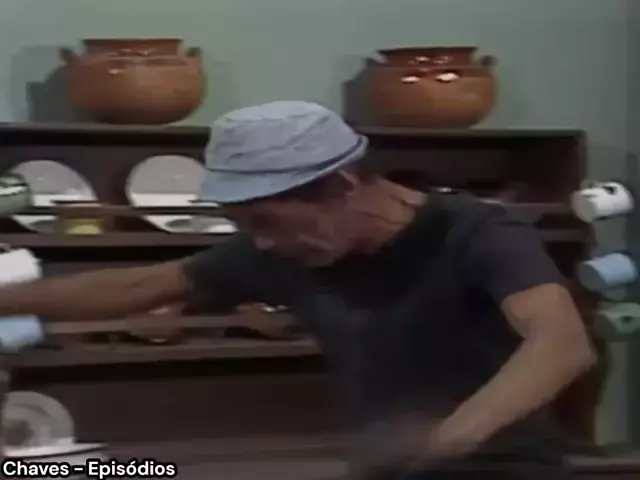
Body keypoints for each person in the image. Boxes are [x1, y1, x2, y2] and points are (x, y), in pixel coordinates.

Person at [0, 101, 595, 478]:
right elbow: (142, 283)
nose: (258, 243)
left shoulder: (477, 232)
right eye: (243, 225)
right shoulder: (285, 248)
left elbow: (561, 343)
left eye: (266, 220)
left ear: (341, 185)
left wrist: (445, 439)